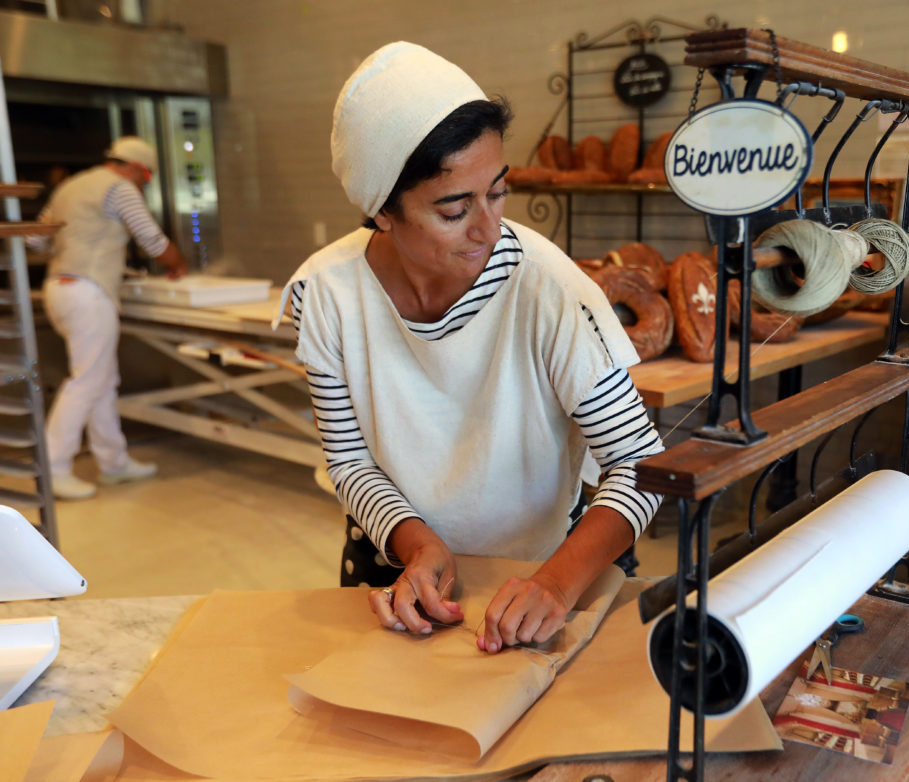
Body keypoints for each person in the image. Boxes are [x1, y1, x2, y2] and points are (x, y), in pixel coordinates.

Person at [281, 42, 664, 655]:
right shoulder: (328, 293)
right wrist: (419, 544)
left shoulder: (547, 288)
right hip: (399, 562)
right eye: (455, 208)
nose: (487, 228)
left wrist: (558, 586)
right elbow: (349, 462)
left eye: (498, 192)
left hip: (548, 565)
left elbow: (640, 465)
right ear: (382, 211)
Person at [30, 136, 188, 500]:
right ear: (134, 166)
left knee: (101, 377)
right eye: (145, 178)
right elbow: (151, 239)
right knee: (87, 379)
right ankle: (53, 468)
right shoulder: (118, 188)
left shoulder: (70, 186)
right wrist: (178, 263)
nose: (142, 185)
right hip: (88, 292)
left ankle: (114, 462)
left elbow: (37, 242)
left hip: (58, 288)